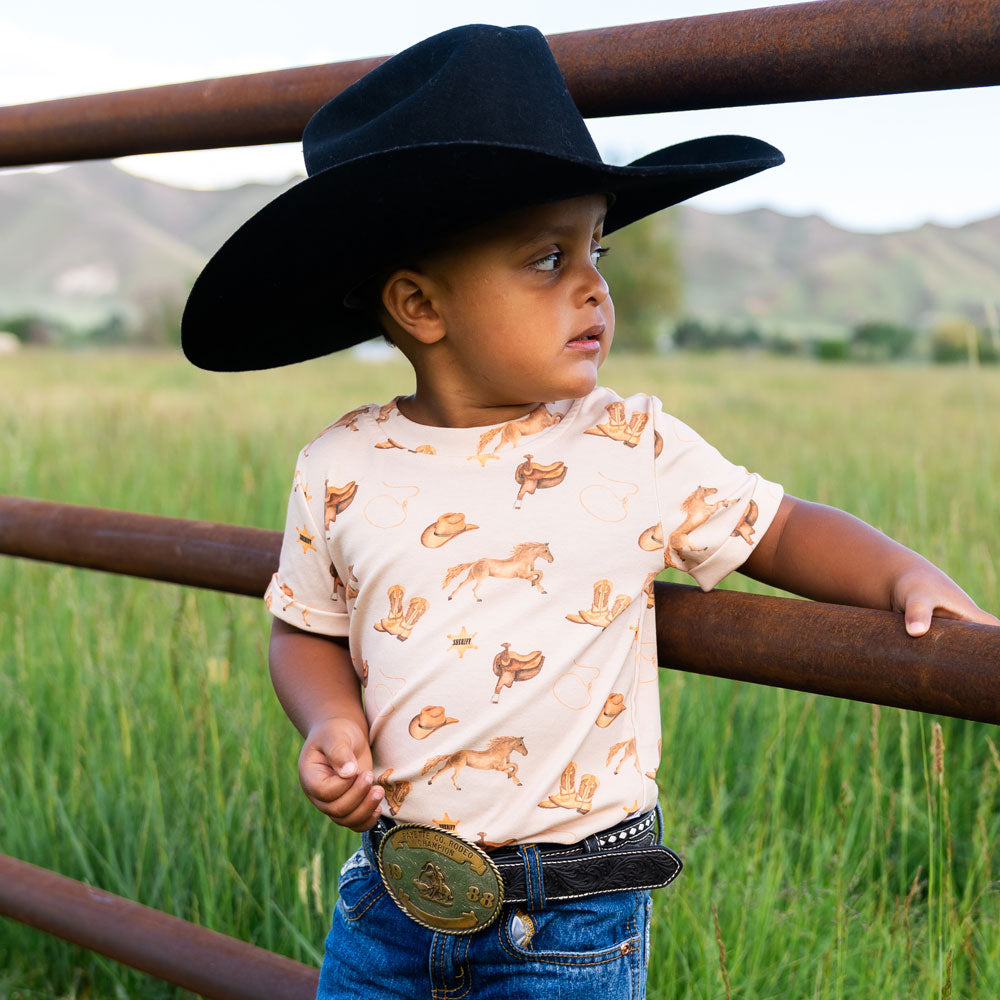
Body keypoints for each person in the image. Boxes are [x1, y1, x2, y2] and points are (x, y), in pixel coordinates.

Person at [181, 23, 998, 1000]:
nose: (593, 285)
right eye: (544, 257)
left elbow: (778, 526)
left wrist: (902, 576)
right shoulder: (341, 465)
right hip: (391, 899)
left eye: (595, 248)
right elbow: (303, 627)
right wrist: (326, 722)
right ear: (420, 305)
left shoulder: (630, 445)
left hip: (571, 916)